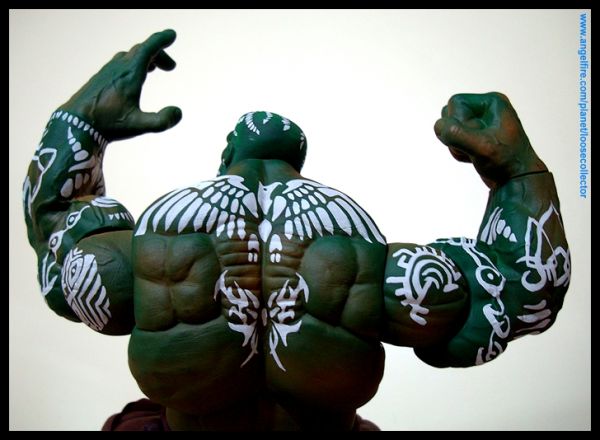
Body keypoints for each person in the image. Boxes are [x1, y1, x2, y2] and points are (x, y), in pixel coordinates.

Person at [23, 29, 571, 431]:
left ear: (226, 157)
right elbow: (523, 290)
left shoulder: (158, 243)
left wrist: (83, 121)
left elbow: (56, 232)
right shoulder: (361, 252)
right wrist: (515, 172)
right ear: (299, 163)